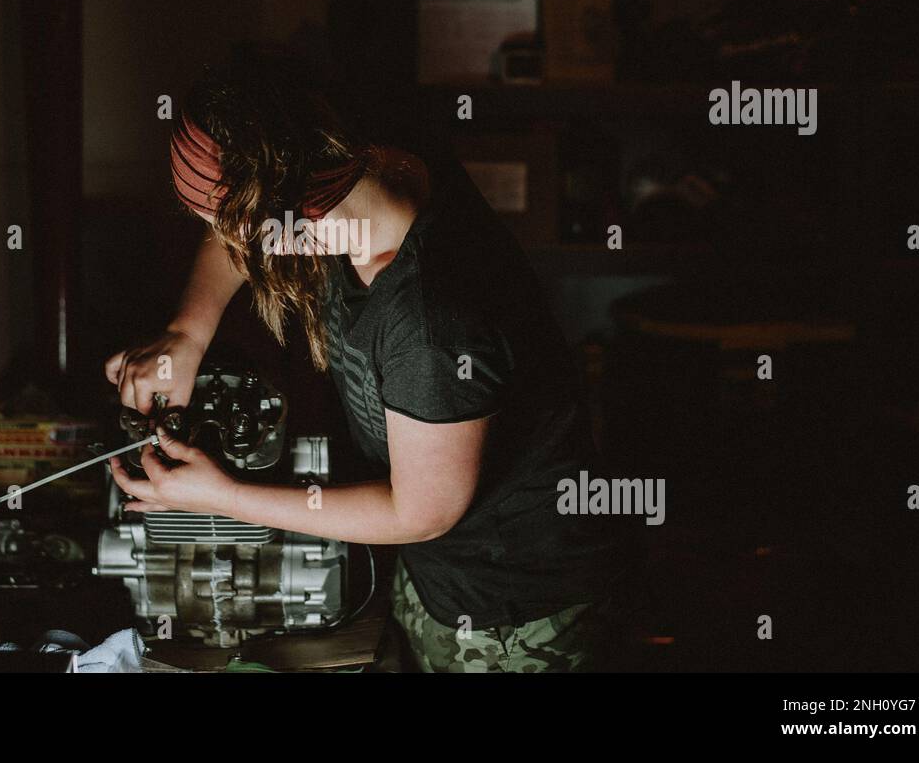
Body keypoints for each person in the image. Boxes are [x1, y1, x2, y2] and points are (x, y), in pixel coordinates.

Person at [104, 48, 627, 672]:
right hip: (434, 574)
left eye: (226, 228)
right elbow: (253, 217)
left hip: (515, 607)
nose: (223, 244)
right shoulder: (360, 164)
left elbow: (421, 511)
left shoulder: (431, 324)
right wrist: (185, 333)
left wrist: (223, 496)